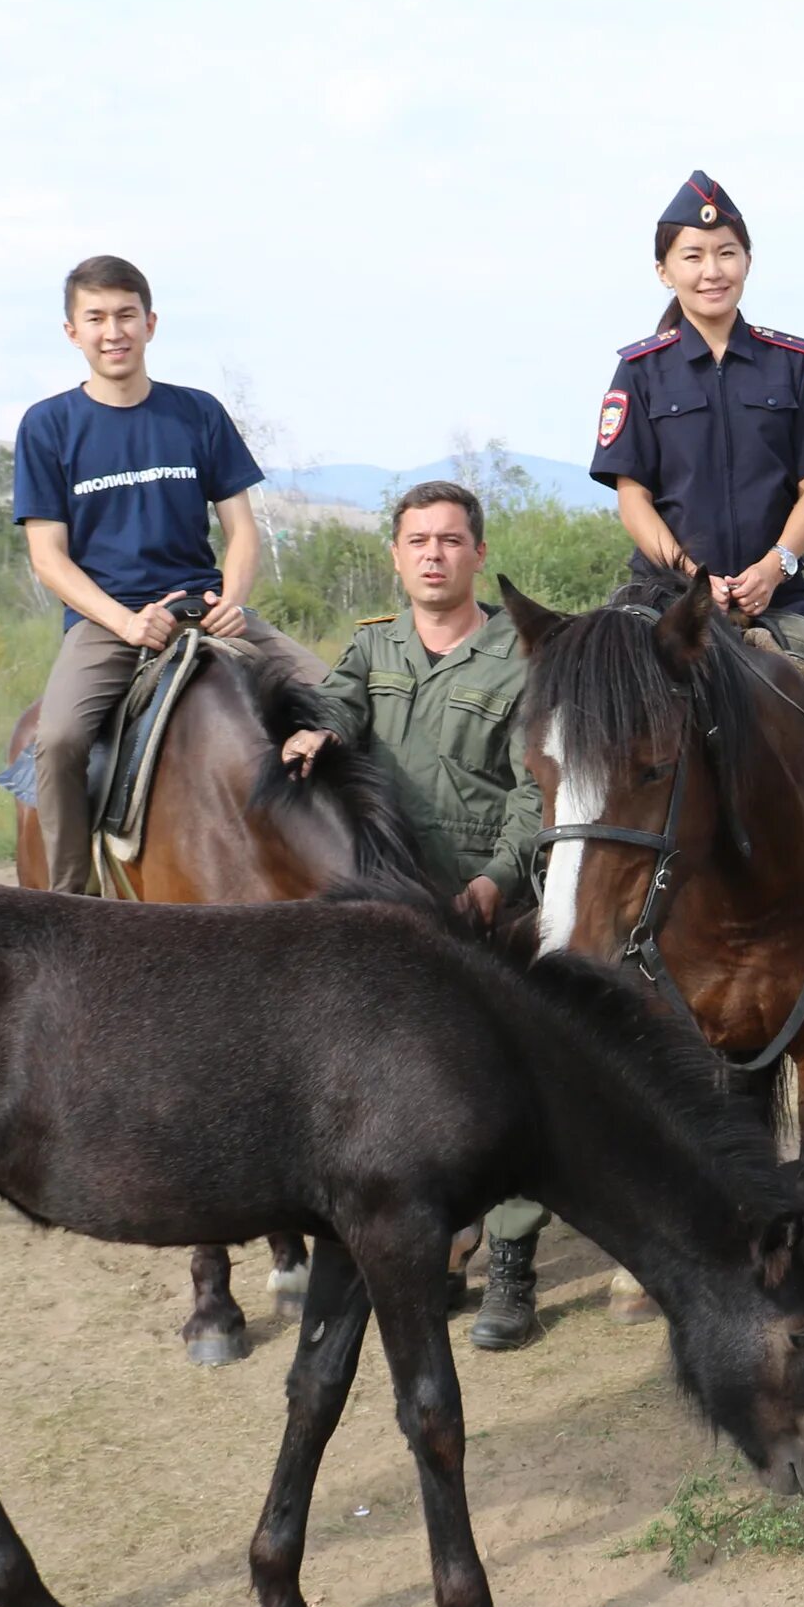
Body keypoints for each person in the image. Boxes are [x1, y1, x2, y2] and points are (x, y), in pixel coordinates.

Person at [277, 480, 554, 1351]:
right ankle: (440, 1248)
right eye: (416, 541)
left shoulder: (523, 657)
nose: (433, 553)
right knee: (419, 1087)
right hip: (396, 901)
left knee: (511, 1081)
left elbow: (532, 790)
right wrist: (314, 731)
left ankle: (512, 1265)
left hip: (489, 901)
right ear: (396, 557)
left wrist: (501, 881)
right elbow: (336, 701)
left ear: (478, 554)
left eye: (449, 540)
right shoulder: (374, 647)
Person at [16, 254, 324, 895]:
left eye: (126, 314)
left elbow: (240, 530)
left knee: (342, 694)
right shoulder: (48, 426)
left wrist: (233, 601)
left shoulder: (198, 413)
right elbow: (48, 558)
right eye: (95, 317)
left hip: (206, 606)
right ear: (72, 332)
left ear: (150, 323)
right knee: (61, 740)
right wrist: (126, 622)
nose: (113, 330)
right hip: (112, 623)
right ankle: (69, 902)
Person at [589, 171, 804, 690]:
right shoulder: (639, 372)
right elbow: (634, 500)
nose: (712, 271)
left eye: (726, 253)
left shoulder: (794, 365)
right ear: (664, 271)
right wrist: (694, 578)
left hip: (778, 597)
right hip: (667, 599)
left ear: (747, 260)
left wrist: (774, 567)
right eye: (692, 256)